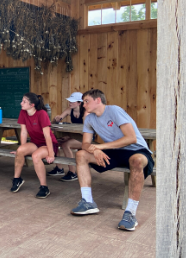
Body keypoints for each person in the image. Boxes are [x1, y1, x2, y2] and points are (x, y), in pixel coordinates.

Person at [69, 89, 153, 232]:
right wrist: (95, 149)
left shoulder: (114, 110)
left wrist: (100, 146)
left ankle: (130, 213)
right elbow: (85, 144)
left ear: (98, 100)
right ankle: (88, 202)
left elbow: (131, 138)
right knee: (81, 155)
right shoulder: (89, 119)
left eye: (86, 101)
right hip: (114, 152)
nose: (84, 105)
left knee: (137, 161)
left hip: (137, 150)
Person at [10, 93, 60, 198]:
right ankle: (17, 179)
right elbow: (23, 132)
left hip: (48, 144)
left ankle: (44, 187)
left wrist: (51, 154)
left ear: (32, 105)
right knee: (20, 151)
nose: (21, 103)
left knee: (35, 156)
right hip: (35, 142)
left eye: (24, 101)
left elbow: (47, 136)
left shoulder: (42, 113)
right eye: (22, 100)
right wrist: (22, 150)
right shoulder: (23, 113)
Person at [50, 92, 85, 182]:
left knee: (66, 144)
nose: (70, 103)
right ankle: (59, 168)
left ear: (79, 103)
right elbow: (58, 119)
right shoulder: (70, 110)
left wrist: (69, 136)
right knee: (55, 142)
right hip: (75, 136)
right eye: (70, 101)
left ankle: (72, 173)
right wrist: (57, 118)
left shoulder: (85, 113)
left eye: (72, 102)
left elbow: (85, 132)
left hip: (86, 139)